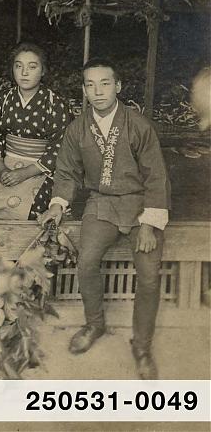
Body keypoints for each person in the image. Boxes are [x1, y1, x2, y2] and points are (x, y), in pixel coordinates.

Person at [37, 58, 170, 380]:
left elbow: (157, 177)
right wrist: (58, 204)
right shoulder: (77, 128)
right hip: (102, 203)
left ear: (118, 86)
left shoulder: (138, 125)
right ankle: (94, 323)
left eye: (105, 83)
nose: (98, 91)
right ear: (84, 90)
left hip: (141, 205)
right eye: (90, 85)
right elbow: (66, 172)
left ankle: (142, 346)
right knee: (86, 261)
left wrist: (149, 224)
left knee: (149, 274)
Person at [0, 43, 73, 220]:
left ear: (43, 71)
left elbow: (60, 146)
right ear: (12, 69)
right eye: (18, 66)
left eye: (32, 67)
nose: (24, 72)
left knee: (35, 205)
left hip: (40, 169)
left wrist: (24, 173)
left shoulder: (55, 104)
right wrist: (2, 170)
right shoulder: (4, 99)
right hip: (7, 164)